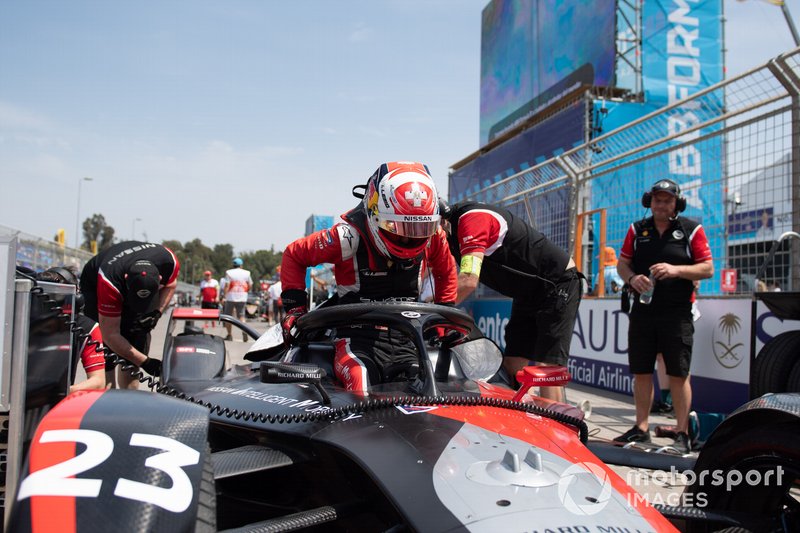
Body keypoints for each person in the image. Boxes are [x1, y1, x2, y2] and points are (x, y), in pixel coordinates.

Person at [280, 161, 457, 392]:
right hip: (356, 335)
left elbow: (446, 272)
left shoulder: (434, 236)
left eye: (418, 230)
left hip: (408, 337)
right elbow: (294, 255)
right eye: (400, 229)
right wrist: (295, 310)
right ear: (375, 215)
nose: (409, 239)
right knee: (360, 382)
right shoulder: (347, 236)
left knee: (426, 390)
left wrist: (443, 321)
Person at [439, 201, 582, 403]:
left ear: (440, 218)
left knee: (546, 369)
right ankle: (529, 418)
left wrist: (437, 307)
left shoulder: (471, 219)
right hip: (527, 291)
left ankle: (558, 429)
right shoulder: (448, 231)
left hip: (556, 283)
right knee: (514, 363)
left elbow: (469, 279)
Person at [614, 179, 713, 453]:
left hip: (677, 313)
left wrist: (675, 270)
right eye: (657, 199)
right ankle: (641, 428)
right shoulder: (637, 229)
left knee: (679, 373)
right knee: (642, 371)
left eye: (668, 200)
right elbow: (622, 264)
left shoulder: (692, 229)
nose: (662, 204)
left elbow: (707, 269)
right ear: (650, 202)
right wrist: (633, 278)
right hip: (643, 312)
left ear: (677, 203)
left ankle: (682, 433)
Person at [80, 241, 180, 389]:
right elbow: (110, 335)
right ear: (126, 279)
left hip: (123, 278)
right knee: (106, 351)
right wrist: (145, 362)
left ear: (159, 279)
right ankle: (108, 400)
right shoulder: (109, 281)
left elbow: (171, 285)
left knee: (137, 334)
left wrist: (157, 312)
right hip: (95, 286)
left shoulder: (169, 262)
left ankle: (130, 397)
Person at [36, 267, 106, 392]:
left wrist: (64, 392)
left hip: (54, 402)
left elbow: (98, 382)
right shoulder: (21, 317)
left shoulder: (85, 328)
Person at [223, 257, 253, 341]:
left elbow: (227, 285)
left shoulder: (229, 272)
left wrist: (224, 296)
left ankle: (229, 335)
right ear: (241, 265)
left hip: (230, 297)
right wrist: (246, 291)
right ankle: (244, 331)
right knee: (241, 316)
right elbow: (250, 284)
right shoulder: (247, 273)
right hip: (242, 297)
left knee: (228, 316)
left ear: (233, 265)